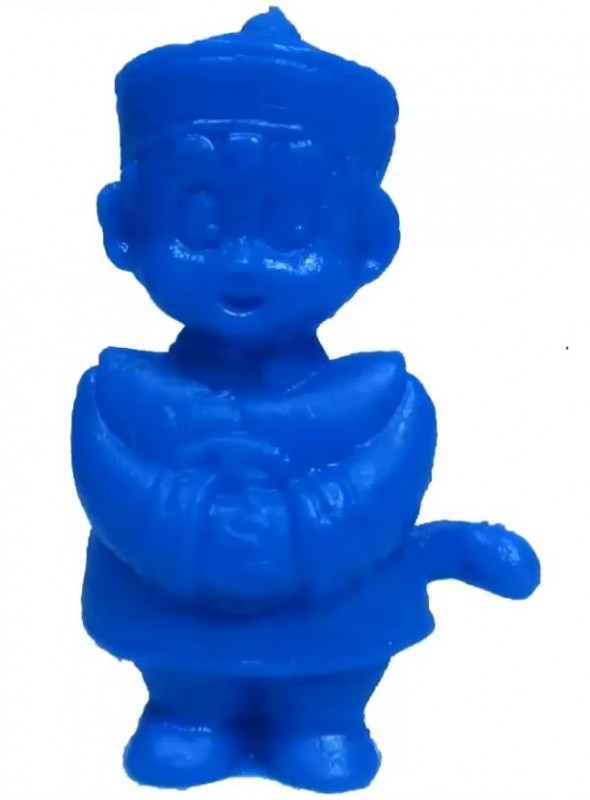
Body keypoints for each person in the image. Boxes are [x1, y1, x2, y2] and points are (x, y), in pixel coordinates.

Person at [71, 7, 540, 793]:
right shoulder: (117, 397)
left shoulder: (384, 401)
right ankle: (188, 714)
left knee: (326, 697)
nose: (244, 261)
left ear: (371, 245)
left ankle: (321, 719)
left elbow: (382, 492)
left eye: (292, 229)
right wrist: (191, 525)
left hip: (331, 620)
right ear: (124, 228)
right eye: (199, 223)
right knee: (185, 695)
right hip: (176, 619)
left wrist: (298, 528)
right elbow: (111, 487)